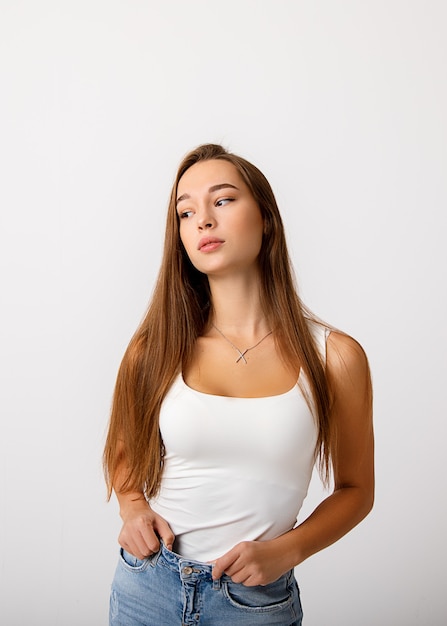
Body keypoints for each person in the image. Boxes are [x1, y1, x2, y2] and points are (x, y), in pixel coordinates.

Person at [103, 143, 374, 626]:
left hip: (253, 604)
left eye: (222, 201)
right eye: (185, 212)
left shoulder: (334, 358)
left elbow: (356, 490)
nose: (203, 220)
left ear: (266, 218)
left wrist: (287, 552)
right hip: (148, 586)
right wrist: (132, 510)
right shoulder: (154, 349)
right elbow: (123, 454)